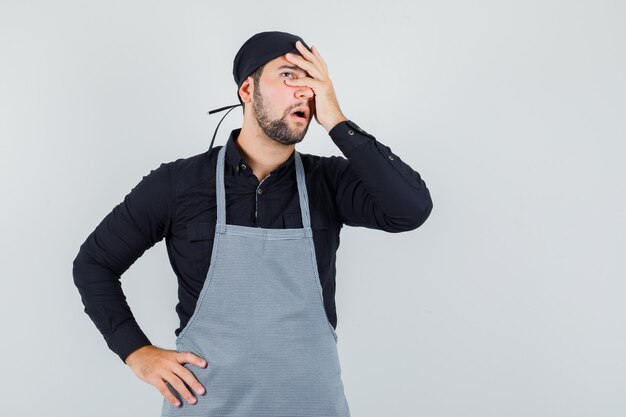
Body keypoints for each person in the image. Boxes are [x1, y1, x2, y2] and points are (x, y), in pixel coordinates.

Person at [73, 31, 433, 416]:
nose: (305, 92)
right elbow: (94, 263)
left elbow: (410, 210)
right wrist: (136, 351)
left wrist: (337, 121)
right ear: (248, 89)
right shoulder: (178, 184)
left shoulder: (329, 182)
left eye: (314, 82)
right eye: (290, 75)